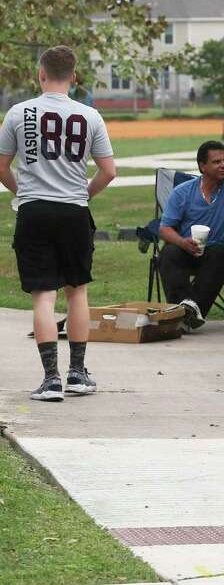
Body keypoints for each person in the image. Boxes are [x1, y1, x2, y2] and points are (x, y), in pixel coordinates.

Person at [0, 45, 117, 402]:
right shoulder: (90, 116)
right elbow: (109, 171)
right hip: (74, 211)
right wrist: (84, 195)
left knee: (43, 296)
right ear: (74, 77)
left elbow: (2, 167)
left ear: (40, 74)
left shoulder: (19, 113)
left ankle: (50, 379)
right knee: (77, 290)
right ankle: (78, 373)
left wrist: (25, 193)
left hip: (35, 211)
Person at [158, 140, 224, 331]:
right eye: (217, 162)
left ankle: (184, 315)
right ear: (202, 166)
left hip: (218, 249)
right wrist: (182, 242)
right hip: (187, 247)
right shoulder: (182, 192)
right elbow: (164, 229)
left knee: (220, 254)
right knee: (169, 253)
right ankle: (187, 312)